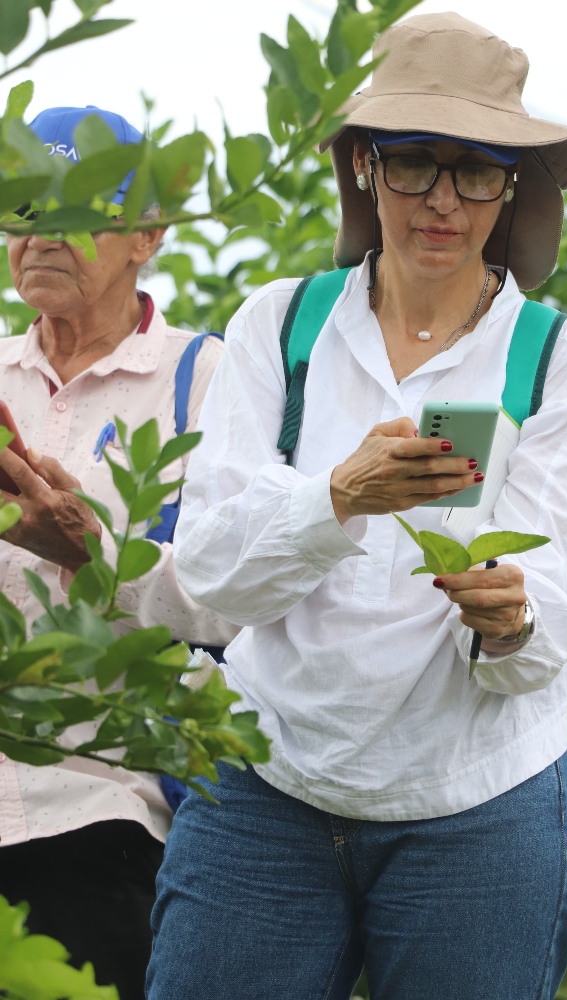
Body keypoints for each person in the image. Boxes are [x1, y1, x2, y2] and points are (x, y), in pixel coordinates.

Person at [148, 13, 567, 1000]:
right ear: (367, 166)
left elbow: (552, 611)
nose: (443, 201)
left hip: (477, 798)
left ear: (515, 186)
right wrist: (340, 498)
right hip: (266, 775)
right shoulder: (281, 327)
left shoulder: (559, 364)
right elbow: (207, 571)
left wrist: (509, 616)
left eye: (477, 170)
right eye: (416, 163)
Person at [0, 106, 238, 1000]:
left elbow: (238, 604)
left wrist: (87, 554)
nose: (41, 238)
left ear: (149, 234)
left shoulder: (208, 382)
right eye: (24, 211)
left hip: (100, 807)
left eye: (75, 211)